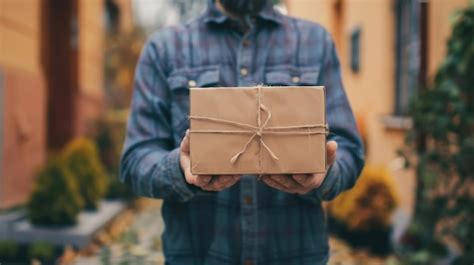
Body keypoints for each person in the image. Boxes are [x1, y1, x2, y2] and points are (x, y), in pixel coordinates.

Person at [120, 0, 364, 264]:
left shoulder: (315, 42)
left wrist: (326, 173)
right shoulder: (165, 48)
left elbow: (349, 149)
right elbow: (136, 158)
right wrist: (180, 170)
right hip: (199, 255)